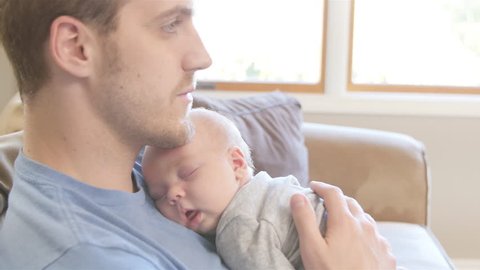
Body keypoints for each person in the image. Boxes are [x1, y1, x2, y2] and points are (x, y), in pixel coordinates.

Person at [0, 0, 396, 269]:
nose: (202, 57)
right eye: (171, 24)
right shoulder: (90, 255)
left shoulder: (136, 164)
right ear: (76, 47)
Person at [142, 108, 328, 270]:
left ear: (236, 164)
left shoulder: (237, 230)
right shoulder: (273, 187)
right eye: (159, 195)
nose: (172, 195)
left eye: (188, 173)